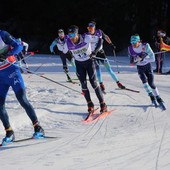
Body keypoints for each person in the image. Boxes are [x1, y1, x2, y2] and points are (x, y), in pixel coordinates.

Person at [0, 30, 44, 144]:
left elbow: (19, 46)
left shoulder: (2, 35)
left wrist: (7, 54)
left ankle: (37, 127)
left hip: (12, 71)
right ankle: (9, 132)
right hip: (1, 77)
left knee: (22, 99)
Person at [63, 25, 107, 113]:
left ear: (77, 34)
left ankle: (103, 104)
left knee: (93, 83)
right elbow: (64, 52)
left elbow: (100, 40)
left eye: (73, 35)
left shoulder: (86, 38)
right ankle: (90, 104)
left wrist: (94, 52)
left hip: (89, 62)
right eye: (69, 35)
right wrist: (70, 56)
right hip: (79, 64)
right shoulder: (68, 42)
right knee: (83, 85)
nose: (71, 38)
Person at [85, 21, 125, 93]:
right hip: (93, 55)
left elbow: (106, 37)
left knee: (109, 69)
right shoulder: (86, 35)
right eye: (89, 28)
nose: (90, 30)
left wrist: (111, 44)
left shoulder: (99, 32)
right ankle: (101, 84)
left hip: (101, 53)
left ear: (94, 28)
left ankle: (118, 83)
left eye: (91, 28)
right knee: (98, 70)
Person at [128, 34, 166, 110]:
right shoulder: (130, 48)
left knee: (151, 83)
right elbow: (131, 63)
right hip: (140, 68)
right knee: (144, 82)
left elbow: (153, 59)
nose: (133, 45)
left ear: (139, 41)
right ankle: (151, 96)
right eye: (132, 43)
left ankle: (158, 98)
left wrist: (143, 59)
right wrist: (136, 60)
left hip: (148, 66)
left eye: (135, 43)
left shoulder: (145, 46)